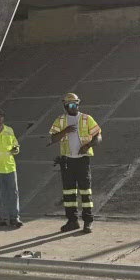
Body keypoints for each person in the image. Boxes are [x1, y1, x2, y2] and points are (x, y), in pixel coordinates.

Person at [49, 92, 102, 233]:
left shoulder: (86, 119)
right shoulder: (60, 120)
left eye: (74, 105)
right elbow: (53, 139)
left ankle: (88, 221)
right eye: (69, 105)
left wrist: (88, 145)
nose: (72, 107)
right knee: (69, 193)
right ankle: (72, 221)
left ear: (78, 104)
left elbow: (98, 136)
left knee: (85, 191)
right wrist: (64, 131)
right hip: (67, 160)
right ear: (65, 106)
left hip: (82, 160)